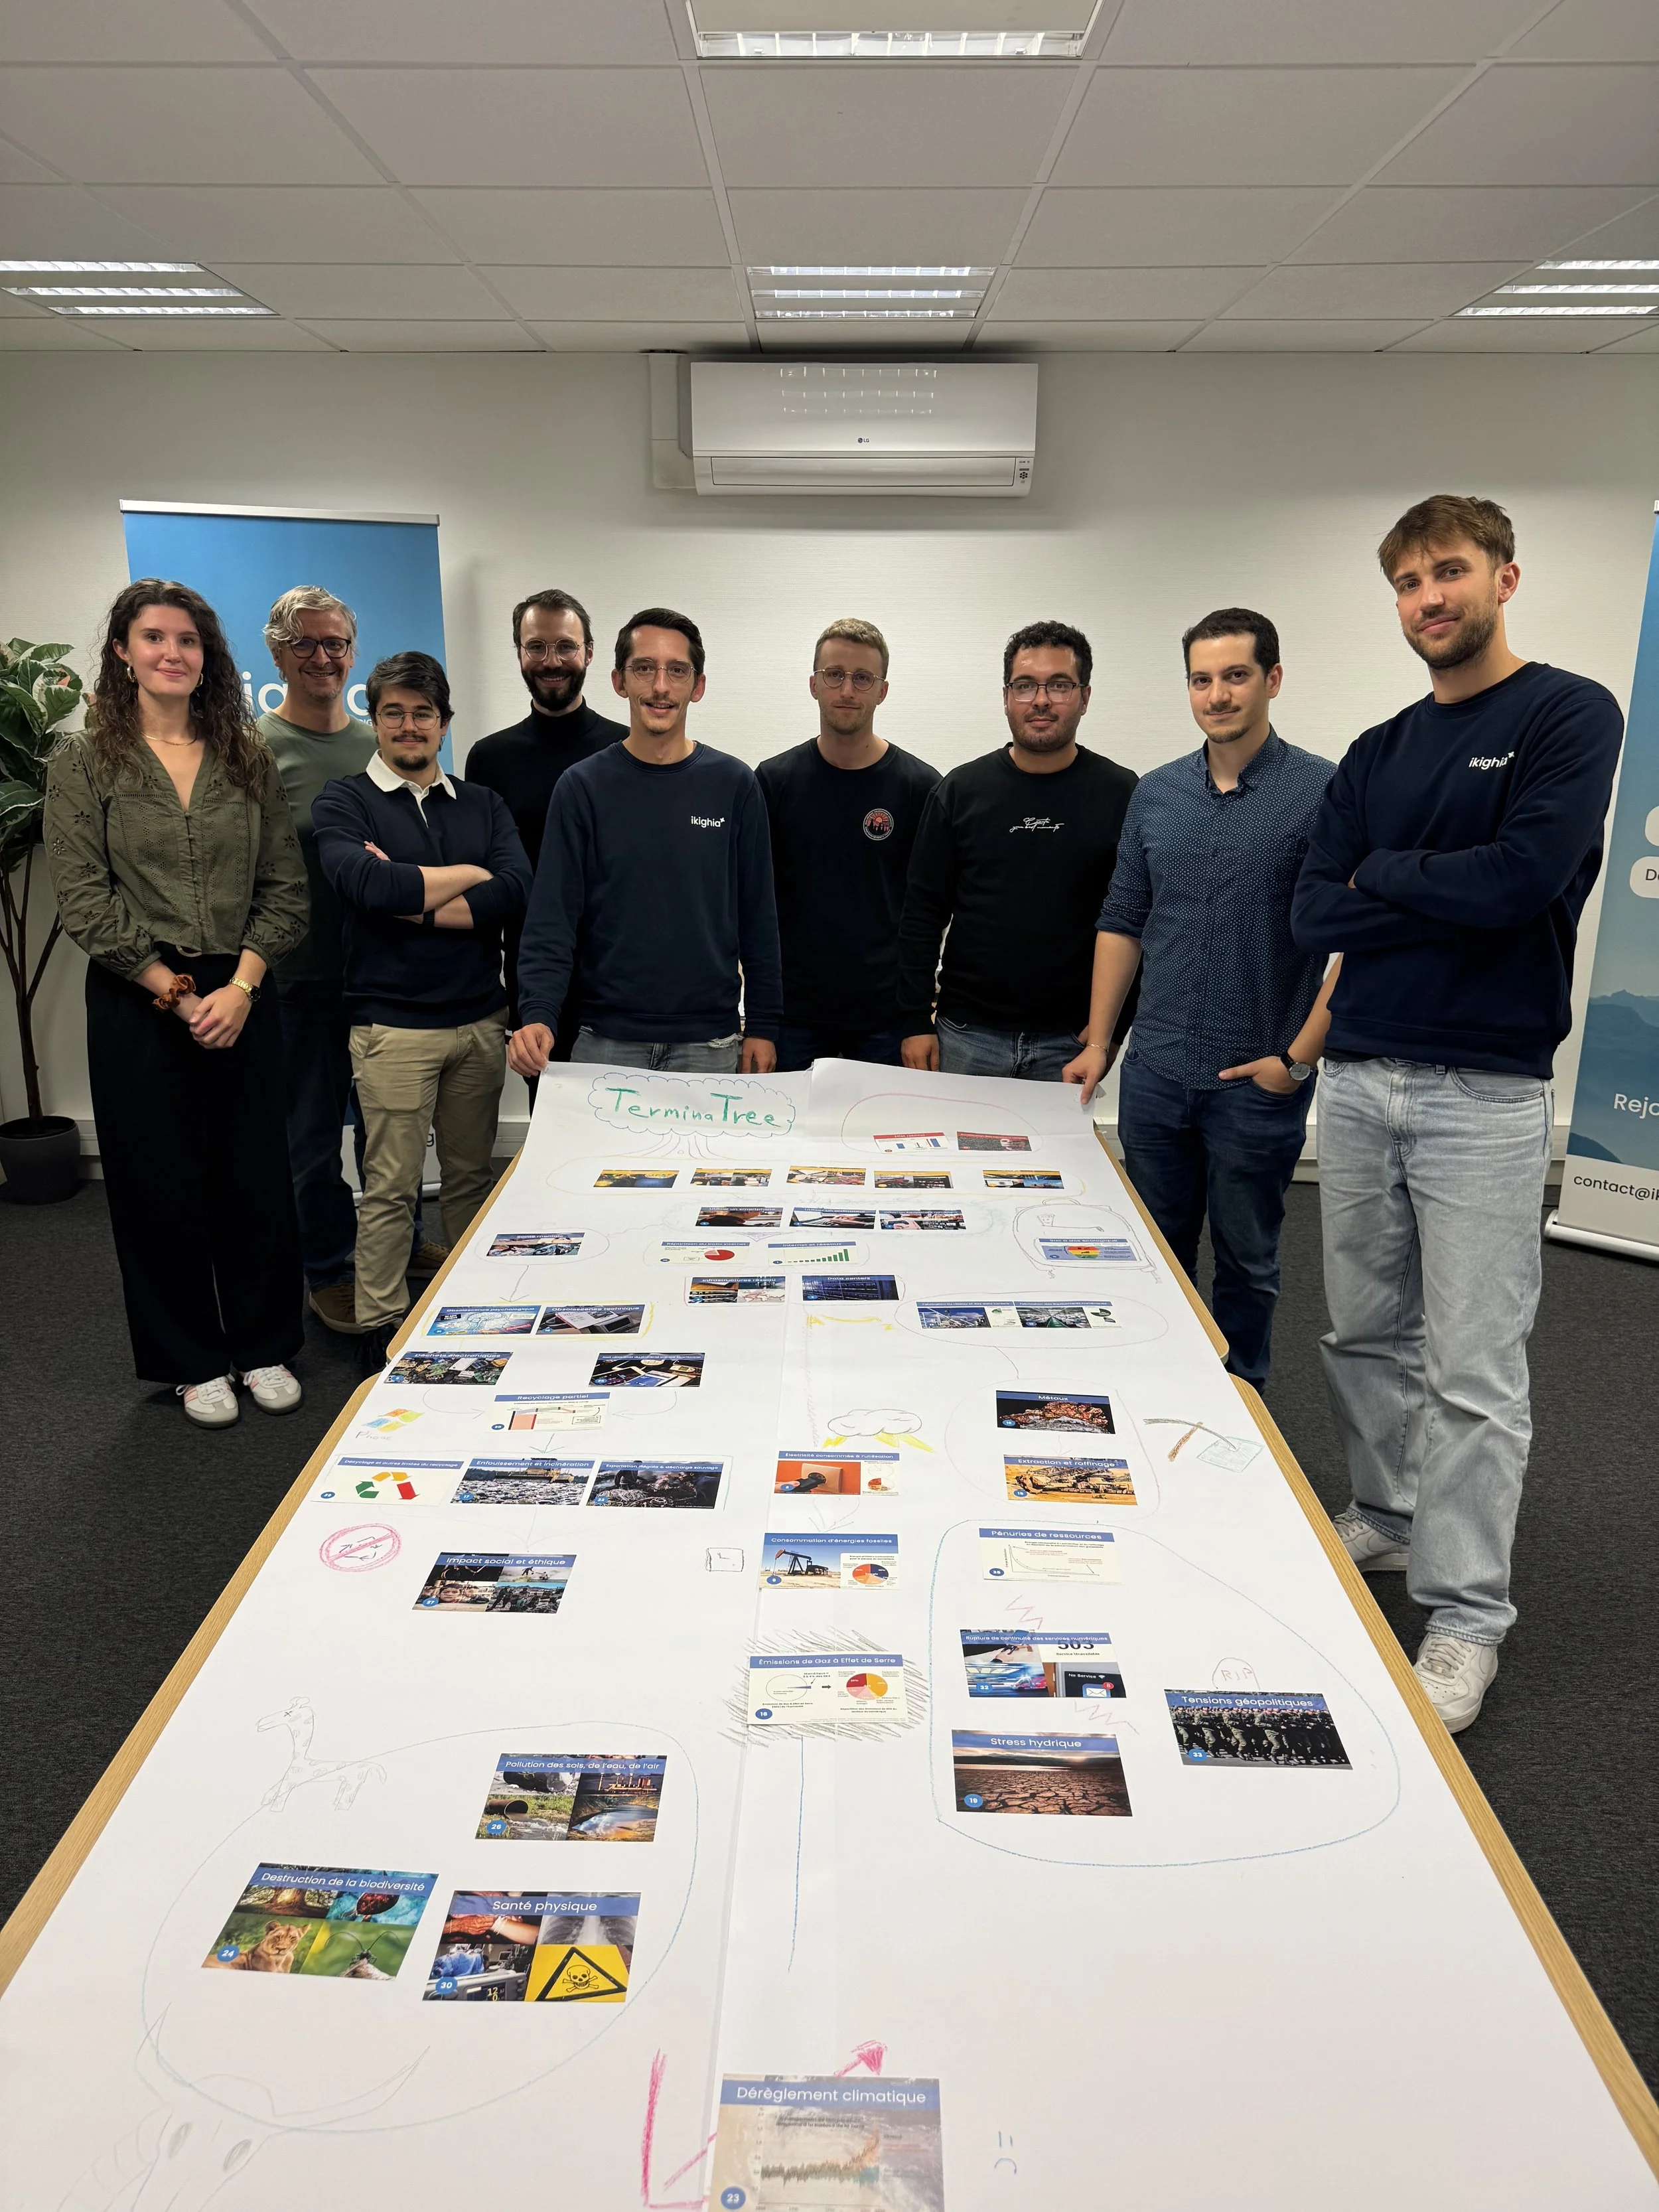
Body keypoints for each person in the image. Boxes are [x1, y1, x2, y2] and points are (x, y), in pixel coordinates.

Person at [1291, 494, 1624, 1732]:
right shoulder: (1381, 746)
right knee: (1364, 1334)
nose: (1430, 597)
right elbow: (1312, 913)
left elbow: (1524, 880)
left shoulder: (1567, 712)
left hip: (1484, 1093)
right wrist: (1426, 886)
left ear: (1505, 577)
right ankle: (1385, 1514)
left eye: (1450, 572)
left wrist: (1384, 873)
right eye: (1410, 582)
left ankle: (1469, 1614)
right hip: (1362, 1079)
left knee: (1476, 1370)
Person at [44, 579, 309, 1427]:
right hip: (139, 999)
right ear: (122, 651)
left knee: (256, 1179)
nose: (171, 653)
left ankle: (263, 1345)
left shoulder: (245, 754)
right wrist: (173, 990)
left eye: (187, 640)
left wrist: (238, 987)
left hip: (242, 993)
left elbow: (286, 888)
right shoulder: (84, 763)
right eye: (153, 638)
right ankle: (193, 1360)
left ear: (207, 657)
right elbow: (83, 896)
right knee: (158, 1183)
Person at [1062, 609, 1338, 1386]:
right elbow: (1122, 922)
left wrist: (1297, 1059)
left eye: (1236, 675)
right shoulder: (1155, 794)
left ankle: (1241, 1410)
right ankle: (1158, 1393)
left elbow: (1361, 938)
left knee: (1248, 1263)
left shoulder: (1322, 791)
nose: (1217, 694)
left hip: (1255, 1079)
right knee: (1152, 1253)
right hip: (1155, 1073)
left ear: (1272, 680)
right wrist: (1096, 1043)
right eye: (1201, 678)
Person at [314, 651, 531, 1341]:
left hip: (479, 1020)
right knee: (391, 1188)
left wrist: (420, 889)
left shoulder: (483, 804)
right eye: (395, 713)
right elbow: (370, 888)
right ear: (373, 720)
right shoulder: (343, 800)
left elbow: (514, 890)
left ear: (444, 725)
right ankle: (380, 1326)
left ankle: (471, 1313)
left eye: (424, 714)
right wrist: (469, 876)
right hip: (392, 1029)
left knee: (471, 1178)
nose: (410, 726)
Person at [508, 608, 781, 1079]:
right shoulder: (581, 788)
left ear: (698, 686)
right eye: (644, 669)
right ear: (619, 680)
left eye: (677, 671)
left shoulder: (734, 785)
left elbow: (759, 918)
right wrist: (537, 1013)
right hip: (606, 1042)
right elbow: (552, 918)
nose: (660, 687)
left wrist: (764, 1023)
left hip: (711, 1044)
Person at [897, 621, 1137, 1080]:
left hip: (1072, 1042)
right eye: (1025, 685)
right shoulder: (960, 791)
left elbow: (1137, 922)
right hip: (966, 1037)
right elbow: (922, 915)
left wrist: (1113, 1034)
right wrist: (913, 1021)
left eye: (1059, 685)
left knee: (1059, 1157)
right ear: (1007, 696)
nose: (1041, 700)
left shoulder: (1123, 794)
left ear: (1084, 696)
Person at [757, 618, 940, 1071]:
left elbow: (930, 911)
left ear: (882, 690)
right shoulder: (773, 782)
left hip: (887, 1021)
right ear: (814, 684)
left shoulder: (921, 788)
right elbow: (754, 906)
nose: (847, 690)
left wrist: (919, 1017)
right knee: (785, 1143)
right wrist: (758, 1020)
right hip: (790, 1019)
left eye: (863, 678)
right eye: (834, 675)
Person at [463, 587, 626, 1052]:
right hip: (534, 981)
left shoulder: (626, 750)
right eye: (536, 646)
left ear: (589, 653)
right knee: (550, 1122)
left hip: (617, 981)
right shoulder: (490, 759)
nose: (550, 660)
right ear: (519, 653)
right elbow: (492, 878)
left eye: (566, 646)